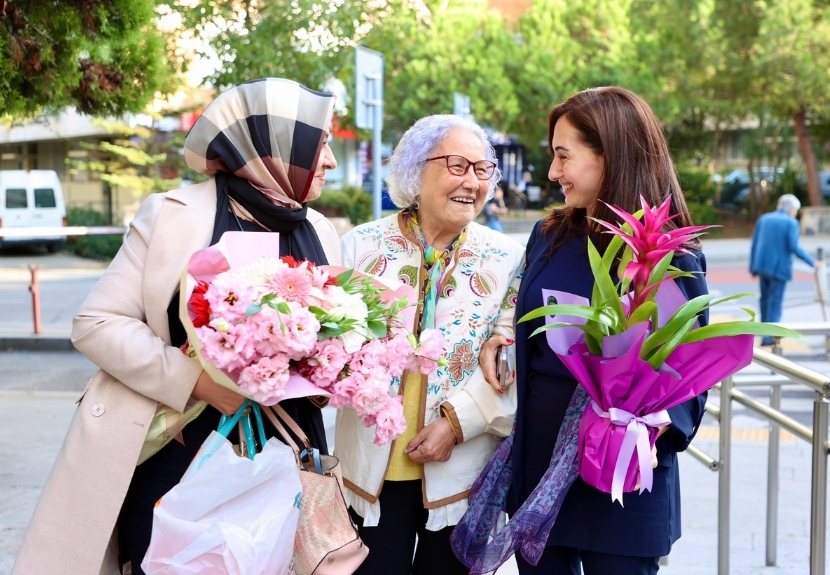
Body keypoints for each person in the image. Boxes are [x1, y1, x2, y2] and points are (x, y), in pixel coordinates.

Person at [12, 78, 342, 575]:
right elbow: (96, 323)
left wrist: (331, 369)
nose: (332, 162)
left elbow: (330, 337)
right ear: (275, 146)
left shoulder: (319, 230)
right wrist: (201, 383)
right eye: (320, 147)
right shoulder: (174, 216)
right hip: (179, 448)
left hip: (286, 454)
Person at [481, 87, 709, 574]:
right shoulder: (549, 235)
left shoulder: (667, 254)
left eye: (564, 156)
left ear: (612, 156)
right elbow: (522, 321)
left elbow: (691, 380)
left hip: (619, 477)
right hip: (540, 472)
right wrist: (499, 345)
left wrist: (650, 420)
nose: (552, 173)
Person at [336, 114, 525, 575]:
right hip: (369, 477)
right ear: (415, 170)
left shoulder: (508, 259)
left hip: (462, 476)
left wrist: (455, 424)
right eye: (457, 165)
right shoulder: (357, 248)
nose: (472, 182)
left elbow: (511, 361)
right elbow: (331, 353)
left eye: (483, 170)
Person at [749, 193, 820, 346]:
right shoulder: (791, 222)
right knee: (775, 303)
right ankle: (770, 337)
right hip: (779, 268)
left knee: (765, 300)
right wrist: (813, 263)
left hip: (762, 266)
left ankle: (763, 334)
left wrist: (753, 267)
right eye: (796, 211)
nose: (795, 214)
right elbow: (795, 247)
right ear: (791, 209)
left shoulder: (764, 219)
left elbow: (755, 243)